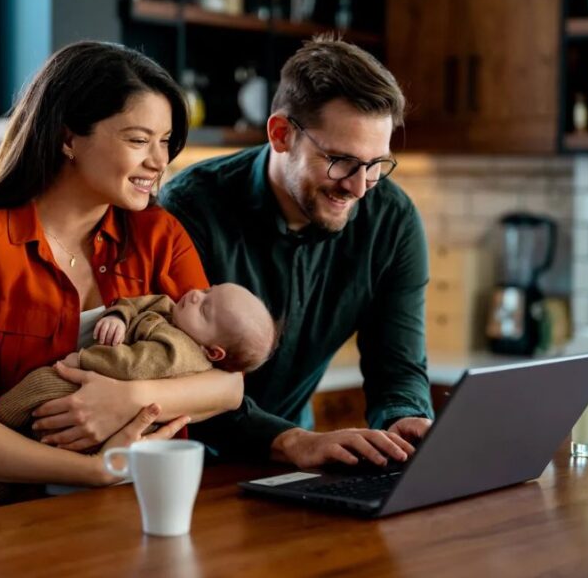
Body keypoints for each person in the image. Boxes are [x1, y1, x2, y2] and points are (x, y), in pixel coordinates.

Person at [0, 41, 244, 504]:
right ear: (68, 137)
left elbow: (228, 384)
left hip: (145, 506)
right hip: (12, 526)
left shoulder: (160, 235)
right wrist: (94, 470)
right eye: (138, 139)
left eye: (165, 141)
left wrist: (127, 400)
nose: (158, 161)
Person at [158, 35, 433, 470]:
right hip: (187, 469)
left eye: (376, 164)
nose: (360, 188)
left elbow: (397, 366)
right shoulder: (189, 211)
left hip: (298, 462)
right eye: (341, 161)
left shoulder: (392, 221)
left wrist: (406, 419)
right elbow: (170, 375)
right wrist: (289, 440)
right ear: (281, 134)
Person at [0, 284, 276, 519]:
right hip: (93, 432)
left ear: (212, 351)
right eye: (208, 291)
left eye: (207, 309)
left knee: (27, 400)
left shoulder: (179, 352)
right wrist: (119, 315)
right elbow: (138, 303)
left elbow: (130, 366)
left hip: (94, 402)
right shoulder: (173, 310)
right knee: (26, 444)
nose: (196, 294)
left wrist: (83, 360)